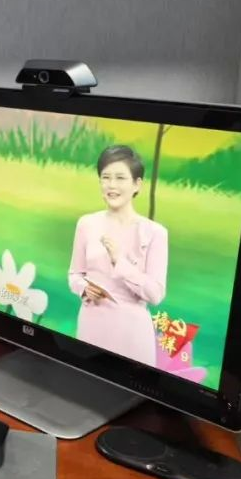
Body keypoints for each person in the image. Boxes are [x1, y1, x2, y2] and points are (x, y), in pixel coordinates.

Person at [68, 145, 168, 367]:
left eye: (120, 178)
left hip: (132, 331)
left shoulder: (155, 232)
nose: (111, 185)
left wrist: (119, 261)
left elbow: (155, 294)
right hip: (92, 323)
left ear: (137, 184)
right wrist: (83, 288)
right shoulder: (87, 223)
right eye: (106, 177)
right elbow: (74, 274)